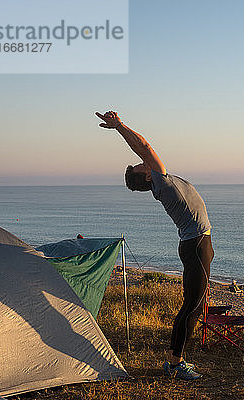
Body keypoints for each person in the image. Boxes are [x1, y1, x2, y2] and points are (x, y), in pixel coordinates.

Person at [96, 110, 212, 380]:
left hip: (197, 243)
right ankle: (175, 363)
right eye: (141, 165)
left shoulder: (162, 181)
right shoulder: (160, 180)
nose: (143, 162)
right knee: (192, 306)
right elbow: (144, 146)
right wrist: (120, 126)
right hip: (196, 245)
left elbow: (144, 151)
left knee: (193, 304)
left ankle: (176, 360)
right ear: (147, 176)